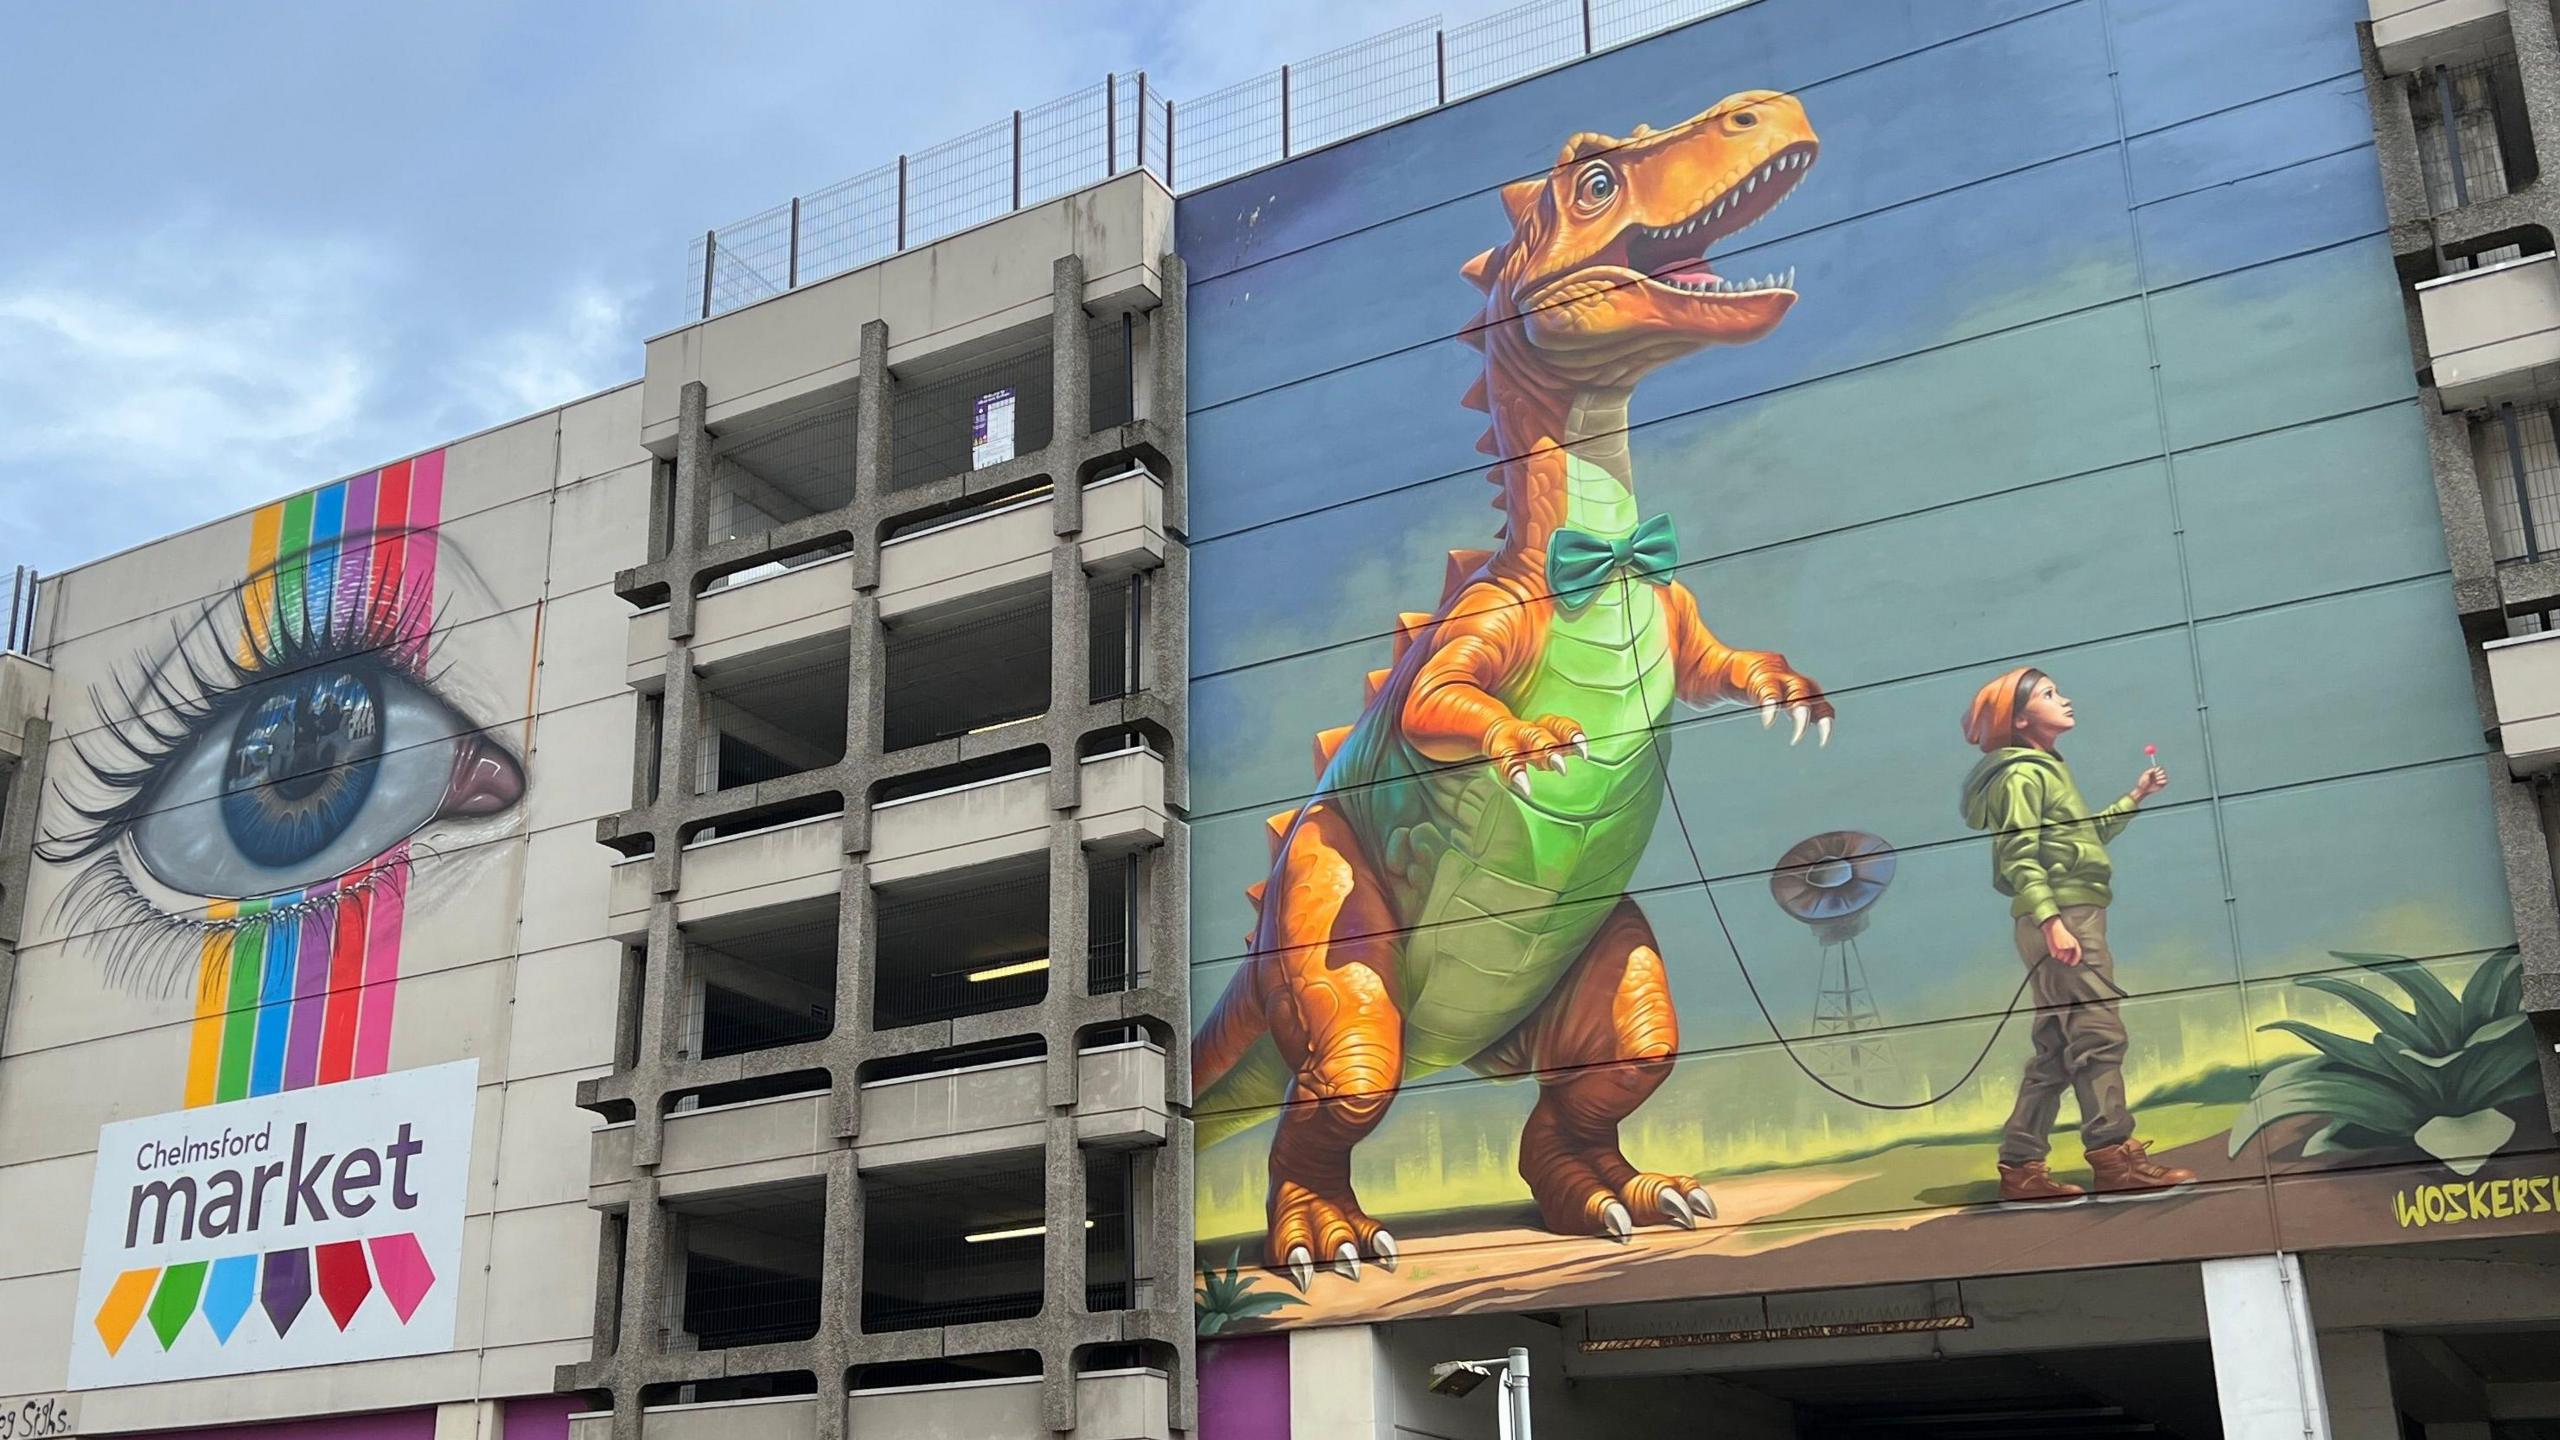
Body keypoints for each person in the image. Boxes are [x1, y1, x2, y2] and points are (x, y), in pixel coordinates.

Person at [1960, 667, 2195, 1202]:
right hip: (2064, 916)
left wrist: (2134, 797)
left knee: (2055, 1049)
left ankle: (2021, 1167)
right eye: (2048, 695)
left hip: (2062, 913)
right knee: (2098, 1036)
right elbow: (2020, 852)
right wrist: (2052, 923)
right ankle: (2115, 1158)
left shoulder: (2045, 769)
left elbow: (2082, 839)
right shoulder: (2024, 776)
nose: (2064, 699)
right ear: (2019, 718)